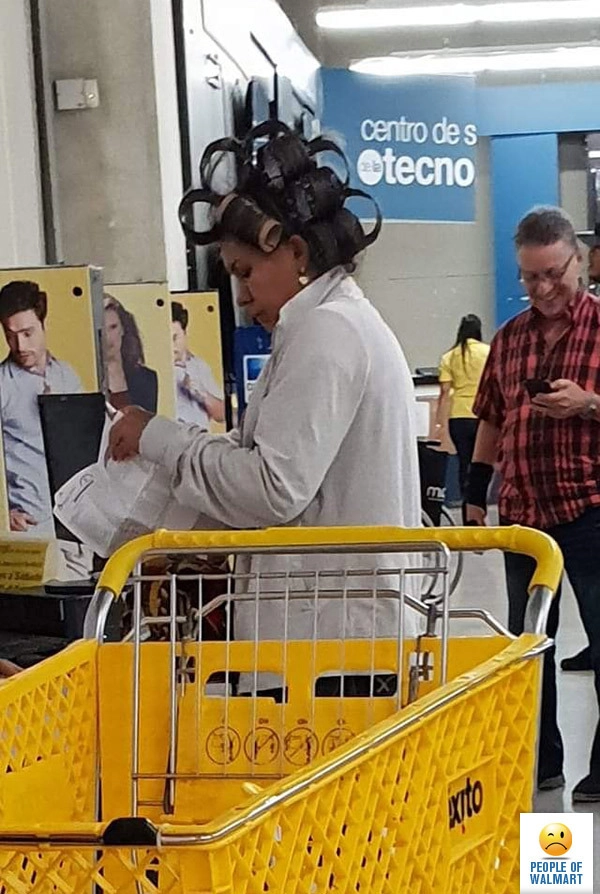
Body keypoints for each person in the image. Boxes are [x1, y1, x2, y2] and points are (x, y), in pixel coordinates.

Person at [107, 121, 422, 691]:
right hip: (339, 640)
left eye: (245, 272)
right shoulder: (331, 324)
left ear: (296, 252)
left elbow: (274, 486)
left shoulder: (327, 331)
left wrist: (161, 438)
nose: (242, 295)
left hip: (330, 652)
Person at [465, 206, 600, 802]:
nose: (542, 289)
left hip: (590, 509)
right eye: (530, 276)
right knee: (529, 647)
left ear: (581, 261)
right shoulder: (508, 338)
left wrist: (588, 403)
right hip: (522, 519)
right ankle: (541, 760)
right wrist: (475, 493)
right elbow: (491, 418)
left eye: (553, 273)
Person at [0, 280, 82, 535]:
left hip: (73, 523)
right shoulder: (2, 385)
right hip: (30, 527)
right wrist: (4, 513)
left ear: (44, 325)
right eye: (10, 335)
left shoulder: (67, 375)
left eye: (27, 333)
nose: (20, 346)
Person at [435, 314, 489, 497]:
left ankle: (466, 502)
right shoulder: (488, 352)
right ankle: (479, 502)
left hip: (458, 416)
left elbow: (445, 391)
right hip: (483, 415)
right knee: (481, 462)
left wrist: (439, 422)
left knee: (464, 461)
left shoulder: (449, 357)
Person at [171, 301, 225, 428]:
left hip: (200, 438)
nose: (172, 346)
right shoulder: (155, 370)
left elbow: (222, 415)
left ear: (185, 334)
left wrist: (201, 393)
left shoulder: (199, 366)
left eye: (175, 338)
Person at [102, 295, 158, 413]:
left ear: (122, 329)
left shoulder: (146, 378)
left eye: (113, 327)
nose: (108, 337)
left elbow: (147, 422)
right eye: (102, 330)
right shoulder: (85, 382)